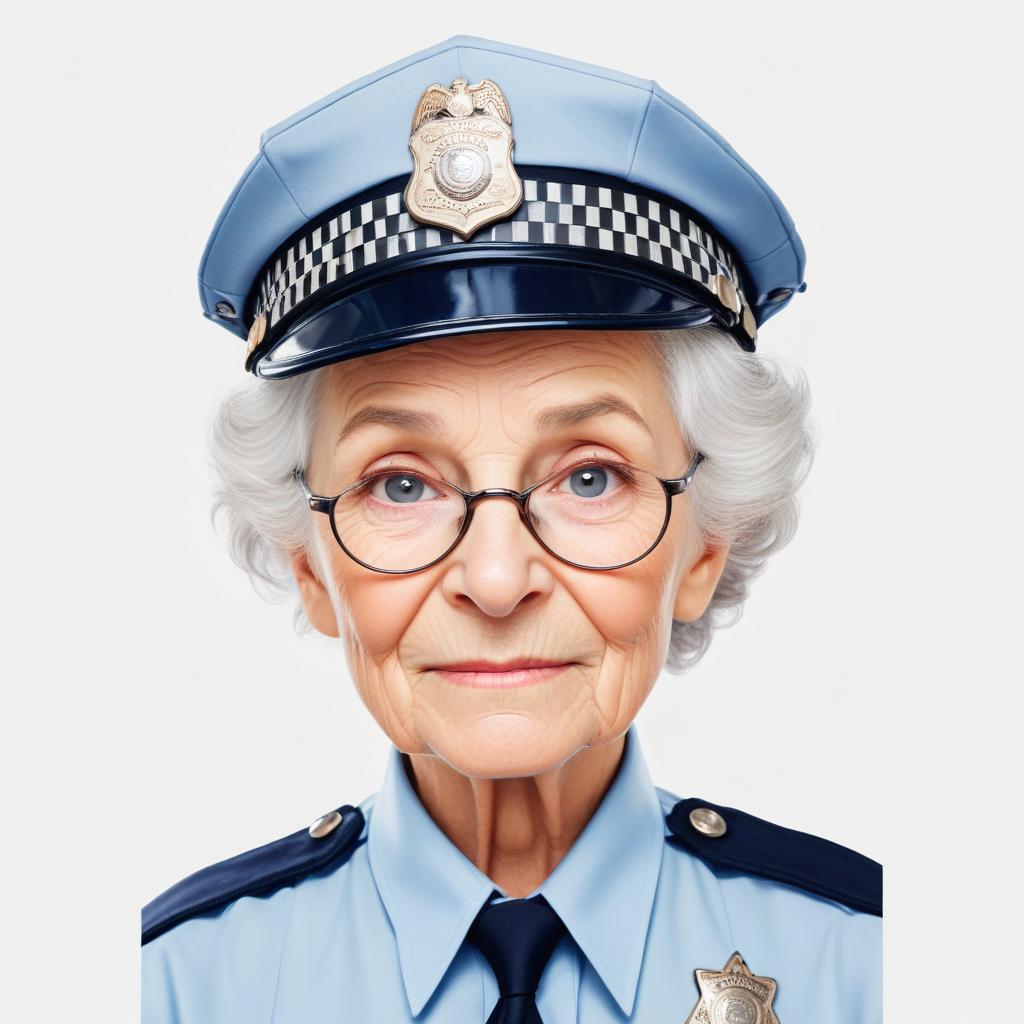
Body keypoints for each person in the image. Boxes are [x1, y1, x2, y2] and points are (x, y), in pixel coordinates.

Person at [142, 34, 882, 1023]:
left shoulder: (873, 969)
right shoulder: (173, 987)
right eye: (400, 484)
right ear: (307, 561)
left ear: (706, 543)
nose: (495, 579)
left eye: (589, 475)